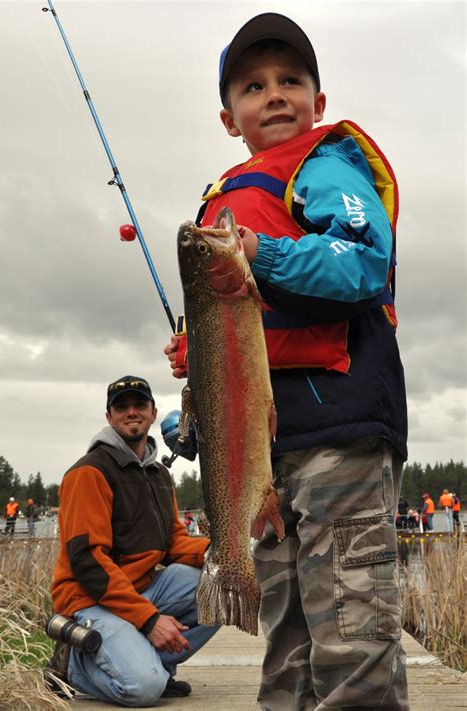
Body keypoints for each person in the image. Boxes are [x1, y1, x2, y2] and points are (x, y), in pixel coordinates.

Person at [165, 13, 408, 710]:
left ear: (318, 103)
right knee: (289, 643)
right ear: (227, 116)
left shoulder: (327, 168)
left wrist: (261, 254)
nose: (274, 94)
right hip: (265, 457)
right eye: (253, 85)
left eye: (290, 81)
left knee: (353, 637)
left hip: (342, 439)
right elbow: (232, 344)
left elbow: (364, 261)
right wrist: (193, 373)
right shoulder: (226, 201)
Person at [46, 376, 220, 706]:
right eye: (121, 406)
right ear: (109, 417)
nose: (131, 412)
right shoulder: (89, 473)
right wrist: (149, 619)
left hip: (136, 590)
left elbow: (173, 543)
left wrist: (221, 552)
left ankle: (157, 664)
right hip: (90, 599)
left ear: (153, 413)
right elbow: (88, 563)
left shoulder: (158, 474)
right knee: (142, 688)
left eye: (139, 404)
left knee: (223, 585)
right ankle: (70, 666)